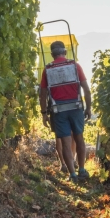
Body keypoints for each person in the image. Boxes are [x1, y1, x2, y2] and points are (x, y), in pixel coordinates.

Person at [39, 40, 92, 182]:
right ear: (65, 52)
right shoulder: (75, 66)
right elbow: (86, 89)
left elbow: (42, 94)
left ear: (52, 54)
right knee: (79, 139)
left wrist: (44, 114)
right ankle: (82, 170)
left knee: (66, 143)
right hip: (76, 108)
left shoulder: (47, 70)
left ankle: (73, 175)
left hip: (58, 111)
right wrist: (88, 108)